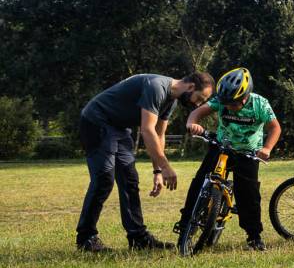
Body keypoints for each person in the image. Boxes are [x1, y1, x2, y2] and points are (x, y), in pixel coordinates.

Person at [76, 72, 214, 252]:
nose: (198, 104)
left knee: (130, 180)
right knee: (104, 180)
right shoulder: (156, 87)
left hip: (118, 127)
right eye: (200, 98)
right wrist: (166, 166)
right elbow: (147, 130)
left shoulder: (170, 100)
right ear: (191, 87)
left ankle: (138, 238)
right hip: (96, 120)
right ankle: (86, 238)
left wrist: (158, 171)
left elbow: (159, 134)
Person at [178, 68, 280, 251]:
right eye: (225, 103)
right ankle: (186, 226)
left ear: (244, 98)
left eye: (232, 104)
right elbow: (197, 113)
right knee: (200, 182)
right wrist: (192, 123)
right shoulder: (221, 100)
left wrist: (266, 148)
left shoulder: (260, 104)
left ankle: (254, 237)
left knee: (248, 195)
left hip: (248, 153)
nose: (227, 106)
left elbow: (275, 128)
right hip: (221, 147)